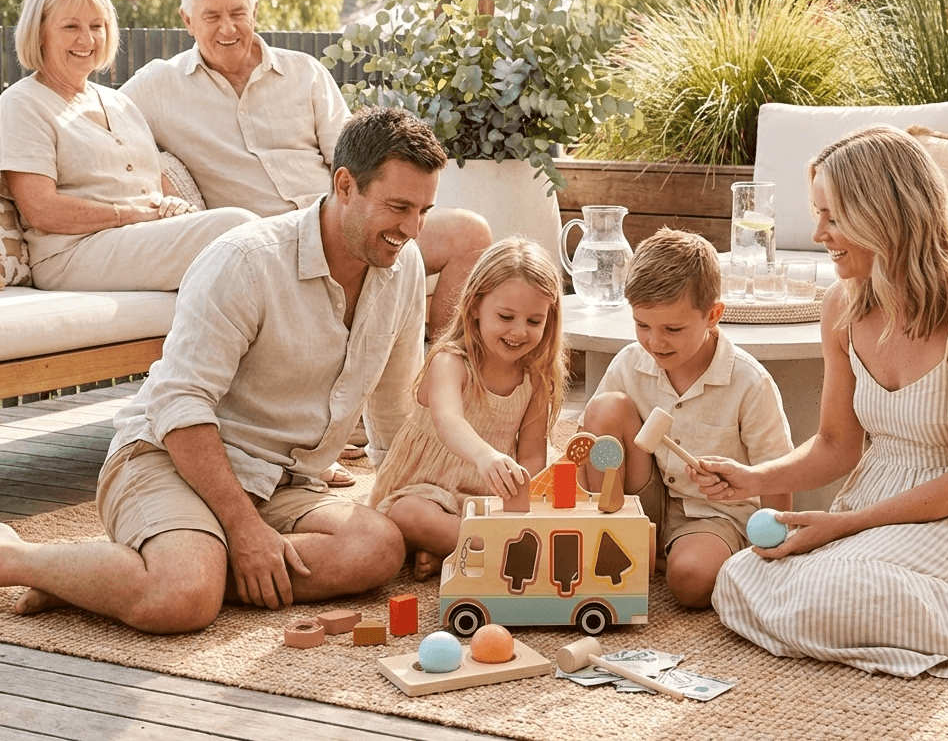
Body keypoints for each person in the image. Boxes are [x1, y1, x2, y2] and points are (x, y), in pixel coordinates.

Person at [0, 106, 447, 633]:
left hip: (281, 482)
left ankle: (125, 576)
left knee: (378, 548)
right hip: (169, 459)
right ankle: (19, 558)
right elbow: (178, 406)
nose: (412, 230)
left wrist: (418, 515)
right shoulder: (246, 260)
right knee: (182, 601)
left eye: (424, 211)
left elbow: (395, 415)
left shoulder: (402, 266)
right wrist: (243, 530)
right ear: (345, 185)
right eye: (399, 207)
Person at [705, 125, 948, 678]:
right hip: (874, 500)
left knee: (837, 589)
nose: (818, 232)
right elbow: (836, 445)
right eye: (817, 213)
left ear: (885, 215)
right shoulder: (842, 306)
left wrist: (845, 527)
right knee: (739, 577)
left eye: (833, 216)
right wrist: (750, 478)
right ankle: (893, 618)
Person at [120, 0, 492, 334]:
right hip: (267, 246)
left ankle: (437, 371)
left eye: (238, 13)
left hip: (337, 223)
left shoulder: (304, 71)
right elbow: (98, 124)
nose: (227, 28)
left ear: (255, 11)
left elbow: (353, 158)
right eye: (211, 17)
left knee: (470, 233)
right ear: (187, 20)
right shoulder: (157, 86)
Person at [0, 0, 256, 291]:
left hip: (136, 238)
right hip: (72, 253)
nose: (87, 38)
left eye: (97, 25)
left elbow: (150, 187)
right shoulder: (22, 104)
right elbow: (42, 210)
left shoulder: (122, 103)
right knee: (238, 228)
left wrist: (171, 207)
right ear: (40, 31)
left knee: (252, 238)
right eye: (70, 26)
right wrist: (129, 215)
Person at [577, 228, 793, 608]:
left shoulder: (748, 381)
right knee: (605, 408)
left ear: (713, 315)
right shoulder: (630, 362)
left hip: (713, 515)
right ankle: (608, 533)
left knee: (689, 581)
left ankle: (661, 560)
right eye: (642, 325)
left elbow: (777, 473)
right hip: (643, 500)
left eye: (672, 329)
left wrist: (778, 549)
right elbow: (589, 443)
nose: (655, 342)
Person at [369, 236, 567, 581]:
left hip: (485, 500)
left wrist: (519, 502)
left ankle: (458, 546)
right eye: (506, 316)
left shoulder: (536, 379)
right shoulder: (451, 361)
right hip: (423, 489)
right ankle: (487, 548)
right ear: (475, 306)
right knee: (409, 515)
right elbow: (448, 420)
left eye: (535, 322)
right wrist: (485, 455)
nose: (519, 331)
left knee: (543, 516)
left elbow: (533, 455)